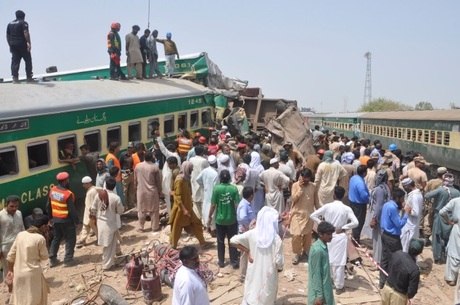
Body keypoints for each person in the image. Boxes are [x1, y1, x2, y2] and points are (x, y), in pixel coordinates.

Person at [230, 206, 284, 305]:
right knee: (267, 297)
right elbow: (279, 263)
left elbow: (232, 240)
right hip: (269, 278)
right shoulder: (276, 240)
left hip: (253, 274)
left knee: (251, 294)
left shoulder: (252, 234)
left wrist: (247, 251)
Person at [310, 186, 359, 294]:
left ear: (334, 195)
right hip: (340, 236)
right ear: (343, 196)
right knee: (340, 262)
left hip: (327, 236)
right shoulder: (346, 209)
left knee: (328, 259)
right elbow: (355, 223)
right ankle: (339, 286)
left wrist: (322, 224)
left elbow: (313, 215)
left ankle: (329, 282)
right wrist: (344, 227)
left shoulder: (328, 206)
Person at [6, 215, 50, 305]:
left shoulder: (20, 235)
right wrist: (46, 238)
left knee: (21, 300)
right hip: (33, 275)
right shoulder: (40, 238)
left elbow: (10, 256)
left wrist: (10, 271)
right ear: (43, 226)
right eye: (47, 226)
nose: (48, 228)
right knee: (34, 300)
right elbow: (44, 257)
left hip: (18, 274)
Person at [169, 161, 207, 249]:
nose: (192, 170)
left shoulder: (186, 179)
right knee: (176, 228)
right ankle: (173, 245)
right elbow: (178, 197)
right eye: (191, 168)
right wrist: (184, 209)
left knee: (196, 223)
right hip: (181, 210)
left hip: (188, 207)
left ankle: (202, 242)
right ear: (187, 168)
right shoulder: (179, 180)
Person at [379, 189, 411, 288]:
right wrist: (406, 213)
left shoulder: (387, 205)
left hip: (385, 234)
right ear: (397, 198)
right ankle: (394, 282)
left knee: (385, 259)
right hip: (392, 238)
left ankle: (382, 281)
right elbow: (399, 224)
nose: (402, 201)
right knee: (396, 259)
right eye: (401, 199)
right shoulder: (392, 208)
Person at [208, 170, 240, 268]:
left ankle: (221, 262)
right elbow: (237, 205)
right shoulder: (234, 189)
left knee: (220, 241)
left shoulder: (216, 189)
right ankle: (234, 262)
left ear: (220, 178)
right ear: (229, 178)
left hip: (220, 220)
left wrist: (209, 216)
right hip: (232, 219)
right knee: (233, 241)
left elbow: (213, 205)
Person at [425, 173, 460, 264]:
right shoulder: (457, 192)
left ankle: (438, 258)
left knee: (437, 236)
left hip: (439, 216)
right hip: (451, 217)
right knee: (448, 237)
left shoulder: (441, 190)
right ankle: (447, 255)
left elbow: (427, 195)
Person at [90, 177, 124, 270]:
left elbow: (93, 209)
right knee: (108, 245)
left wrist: (93, 218)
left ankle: (118, 253)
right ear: (114, 187)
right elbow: (120, 211)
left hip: (100, 223)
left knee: (113, 241)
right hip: (110, 224)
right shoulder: (116, 198)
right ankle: (107, 265)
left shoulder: (99, 195)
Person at [47, 172, 79, 267]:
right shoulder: (67, 194)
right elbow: (72, 210)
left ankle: (52, 259)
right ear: (65, 181)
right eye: (68, 180)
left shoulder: (52, 191)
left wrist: (50, 218)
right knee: (70, 238)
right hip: (66, 220)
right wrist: (77, 221)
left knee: (57, 238)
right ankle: (68, 259)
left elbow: (48, 206)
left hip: (56, 220)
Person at [289, 169, 320, 265]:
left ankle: (306, 251)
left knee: (307, 235)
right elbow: (293, 199)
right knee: (296, 235)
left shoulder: (313, 186)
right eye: (304, 179)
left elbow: (316, 201)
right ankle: (296, 253)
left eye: (307, 179)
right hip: (297, 214)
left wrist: (319, 213)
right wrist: (300, 189)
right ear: (301, 177)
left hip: (308, 214)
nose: (305, 181)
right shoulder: (295, 185)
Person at [381, 238, 424, 305]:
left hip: (386, 289)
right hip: (399, 297)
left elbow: (388, 267)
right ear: (420, 252)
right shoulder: (414, 269)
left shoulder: (397, 254)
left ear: (409, 247)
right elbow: (412, 291)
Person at [307, 221, 335, 305]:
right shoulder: (318, 250)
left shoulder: (323, 246)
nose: (331, 237)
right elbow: (316, 274)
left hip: (326, 288)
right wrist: (319, 296)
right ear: (320, 234)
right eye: (328, 234)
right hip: (320, 292)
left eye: (331, 234)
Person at [134, 151, 162, 232]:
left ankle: (141, 227)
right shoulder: (155, 167)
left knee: (141, 210)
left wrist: (136, 189)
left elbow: (135, 180)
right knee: (154, 211)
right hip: (152, 191)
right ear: (152, 157)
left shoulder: (138, 166)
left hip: (141, 191)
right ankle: (155, 227)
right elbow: (158, 182)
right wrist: (160, 191)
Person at [369, 169, 391, 266]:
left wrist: (374, 218)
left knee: (377, 239)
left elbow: (378, 205)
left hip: (379, 217)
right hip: (382, 216)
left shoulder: (379, 190)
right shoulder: (385, 187)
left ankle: (377, 262)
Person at [0, 195, 24, 281]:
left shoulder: (19, 213)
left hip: (19, 244)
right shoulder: (1, 216)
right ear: (6, 205)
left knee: (20, 265)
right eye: (12, 206)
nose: (14, 208)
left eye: (16, 206)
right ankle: (9, 288)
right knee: (7, 269)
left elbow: (22, 228)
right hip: (6, 247)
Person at [6, 10, 34, 82]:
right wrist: (29, 43)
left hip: (13, 45)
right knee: (28, 60)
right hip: (22, 44)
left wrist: (10, 44)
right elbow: (26, 33)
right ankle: (29, 78)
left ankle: (15, 78)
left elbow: (7, 35)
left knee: (15, 61)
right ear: (23, 16)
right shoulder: (23, 23)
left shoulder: (10, 24)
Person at [439, 195, 460, 286]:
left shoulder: (455, 201)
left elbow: (442, 212)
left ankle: (451, 278)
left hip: (457, 228)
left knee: (454, 252)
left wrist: (448, 221)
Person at [236, 186, 256, 281]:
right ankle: (243, 276)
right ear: (251, 195)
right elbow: (242, 218)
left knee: (248, 252)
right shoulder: (244, 205)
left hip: (247, 231)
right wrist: (248, 226)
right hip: (245, 232)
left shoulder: (247, 203)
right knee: (244, 253)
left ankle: (246, 273)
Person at [196, 155, 219, 231]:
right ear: (215, 163)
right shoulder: (215, 174)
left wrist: (203, 186)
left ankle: (206, 225)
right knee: (213, 212)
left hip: (206, 193)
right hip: (213, 195)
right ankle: (212, 228)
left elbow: (198, 179)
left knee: (205, 209)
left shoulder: (205, 170)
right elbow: (216, 187)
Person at [401, 178, 424, 252]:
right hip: (411, 224)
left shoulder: (414, 196)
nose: (404, 189)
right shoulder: (416, 194)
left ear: (408, 186)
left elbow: (415, 212)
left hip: (410, 225)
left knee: (406, 246)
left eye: (405, 187)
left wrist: (405, 208)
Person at [348, 165, 370, 245]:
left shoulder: (353, 178)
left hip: (352, 202)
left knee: (354, 219)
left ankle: (354, 236)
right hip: (359, 205)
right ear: (364, 173)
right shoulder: (360, 183)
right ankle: (356, 239)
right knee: (359, 222)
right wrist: (368, 200)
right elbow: (364, 196)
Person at [76, 176, 99, 248]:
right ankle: (82, 239)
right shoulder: (95, 189)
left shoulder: (91, 192)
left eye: (84, 184)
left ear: (88, 183)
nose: (83, 186)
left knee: (94, 227)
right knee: (86, 226)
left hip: (90, 213)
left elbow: (91, 205)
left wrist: (92, 215)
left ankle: (100, 239)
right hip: (90, 213)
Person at [190, 145, 209, 220]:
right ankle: (204, 221)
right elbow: (207, 171)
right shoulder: (204, 161)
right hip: (202, 183)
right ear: (202, 152)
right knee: (203, 202)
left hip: (193, 181)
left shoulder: (191, 159)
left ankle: (198, 220)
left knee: (195, 201)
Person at [120, 142, 136, 209]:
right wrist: (123, 171)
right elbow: (120, 164)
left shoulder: (134, 155)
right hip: (125, 174)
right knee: (124, 191)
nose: (130, 149)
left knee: (132, 190)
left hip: (132, 173)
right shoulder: (123, 155)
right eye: (129, 147)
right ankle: (125, 205)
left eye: (131, 148)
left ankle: (131, 204)